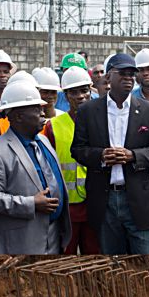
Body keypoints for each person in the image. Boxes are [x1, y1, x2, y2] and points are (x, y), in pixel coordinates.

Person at [70, 53, 149, 254]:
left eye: (132, 74)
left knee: (147, 259)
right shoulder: (88, 111)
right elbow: (78, 150)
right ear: (108, 77)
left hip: (137, 199)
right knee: (112, 260)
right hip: (104, 199)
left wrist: (132, 156)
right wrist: (101, 156)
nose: (129, 78)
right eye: (122, 73)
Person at [0, 80, 71, 254]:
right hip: (22, 242)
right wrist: (31, 203)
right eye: (37, 109)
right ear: (18, 116)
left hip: (54, 236)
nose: (43, 114)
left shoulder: (43, 141)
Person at [41, 66, 100, 255]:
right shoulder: (53, 127)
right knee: (66, 254)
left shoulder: (103, 122)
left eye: (84, 91)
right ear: (65, 96)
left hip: (95, 203)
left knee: (94, 255)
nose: (81, 96)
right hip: (66, 207)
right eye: (74, 92)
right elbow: (46, 167)